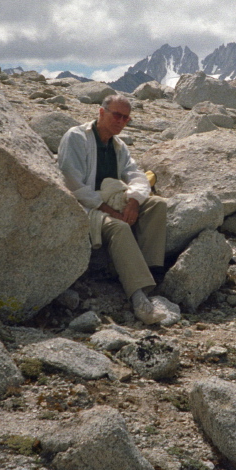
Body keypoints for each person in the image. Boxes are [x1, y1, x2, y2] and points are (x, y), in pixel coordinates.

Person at [57, 94, 168, 324]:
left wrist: (134, 201)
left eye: (125, 118)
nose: (120, 121)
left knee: (157, 204)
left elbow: (136, 175)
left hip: (113, 200)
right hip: (85, 206)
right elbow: (72, 182)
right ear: (101, 112)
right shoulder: (76, 138)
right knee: (118, 227)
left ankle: (146, 272)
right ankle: (139, 297)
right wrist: (109, 209)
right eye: (116, 115)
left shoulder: (119, 146)